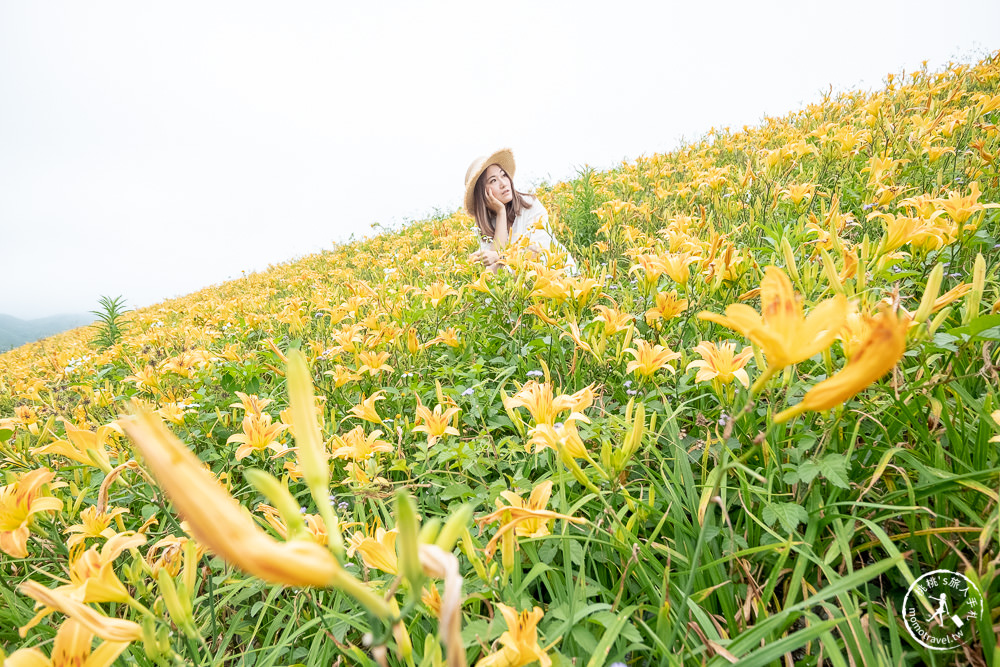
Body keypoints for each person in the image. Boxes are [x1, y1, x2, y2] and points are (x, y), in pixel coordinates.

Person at [465, 148, 578, 274]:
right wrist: (501, 213)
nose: (503, 183)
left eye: (503, 175)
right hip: (524, 288)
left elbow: (537, 254)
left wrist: (499, 257)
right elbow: (493, 275)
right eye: (493, 180)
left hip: (558, 275)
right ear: (482, 193)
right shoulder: (486, 226)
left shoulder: (531, 205)